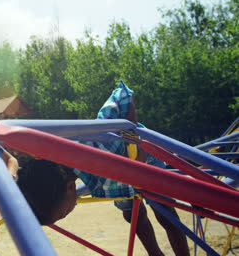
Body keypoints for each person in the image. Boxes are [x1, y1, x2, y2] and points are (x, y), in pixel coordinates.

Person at [17, 80, 189, 256]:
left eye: (63, 214)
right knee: (132, 215)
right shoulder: (55, 166)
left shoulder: (92, 147)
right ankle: (155, 253)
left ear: (70, 187)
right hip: (120, 179)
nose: (67, 214)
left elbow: (122, 96)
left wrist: (133, 144)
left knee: (164, 213)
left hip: (146, 164)